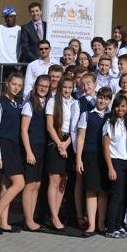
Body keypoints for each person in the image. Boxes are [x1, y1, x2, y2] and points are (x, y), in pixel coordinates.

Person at [0, 73, 26, 234]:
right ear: (7, 83)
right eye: (14, 84)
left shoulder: (18, 103)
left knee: (6, 184)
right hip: (5, 147)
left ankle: (3, 222)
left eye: (19, 85)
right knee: (19, 183)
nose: (16, 87)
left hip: (16, 146)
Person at [75, 86, 111, 236]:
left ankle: (101, 224)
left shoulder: (111, 116)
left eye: (106, 98)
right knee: (91, 190)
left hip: (106, 157)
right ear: (96, 97)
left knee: (103, 191)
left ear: (109, 101)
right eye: (100, 97)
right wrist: (78, 159)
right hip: (90, 155)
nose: (102, 101)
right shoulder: (86, 115)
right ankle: (91, 225)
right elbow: (80, 138)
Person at [45, 75, 77, 231]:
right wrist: (59, 144)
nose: (67, 90)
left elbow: (75, 127)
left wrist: (66, 144)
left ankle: (55, 215)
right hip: (55, 141)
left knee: (63, 180)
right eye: (65, 87)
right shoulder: (53, 101)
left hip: (68, 142)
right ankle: (54, 216)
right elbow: (49, 126)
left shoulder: (75, 102)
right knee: (54, 180)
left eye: (70, 88)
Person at [20, 75, 50, 232]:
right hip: (32, 147)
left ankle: (30, 217)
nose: (43, 88)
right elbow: (24, 130)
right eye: (41, 85)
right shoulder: (29, 103)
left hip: (42, 147)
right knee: (30, 184)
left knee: (37, 184)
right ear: (36, 86)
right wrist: (28, 152)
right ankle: (28, 220)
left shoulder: (47, 102)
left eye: (46, 86)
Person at [103, 95, 127, 238]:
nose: (120, 109)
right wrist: (110, 168)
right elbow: (106, 147)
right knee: (116, 195)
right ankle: (110, 228)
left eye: (123, 106)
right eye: (118, 106)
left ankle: (119, 225)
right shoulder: (109, 123)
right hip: (115, 162)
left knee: (123, 196)